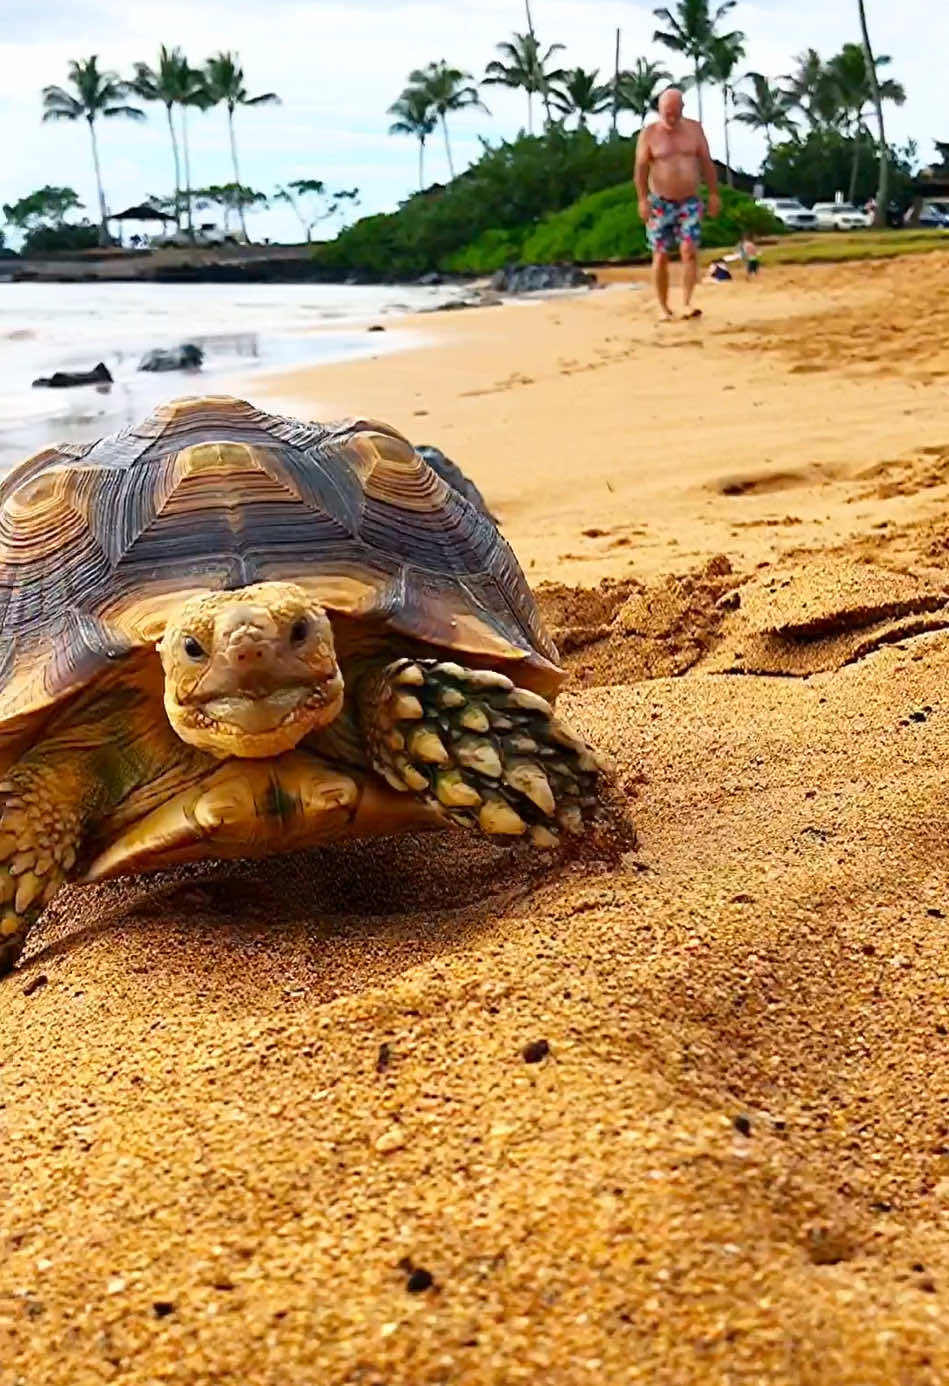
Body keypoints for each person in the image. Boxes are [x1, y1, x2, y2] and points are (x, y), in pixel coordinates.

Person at [634, 86, 721, 322]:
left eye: (674, 112)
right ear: (659, 110)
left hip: (689, 201)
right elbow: (640, 170)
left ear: (682, 109)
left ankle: (687, 303)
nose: (670, 117)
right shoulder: (649, 134)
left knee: (689, 251)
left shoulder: (694, 130)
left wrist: (714, 194)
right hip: (660, 202)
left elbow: (706, 163)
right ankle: (663, 306)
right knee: (660, 255)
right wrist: (642, 199)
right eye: (665, 112)